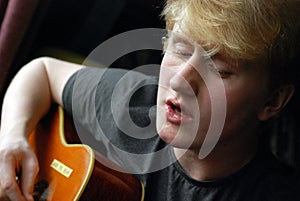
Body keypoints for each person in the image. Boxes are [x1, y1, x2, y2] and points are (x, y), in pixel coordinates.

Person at [0, 0, 299, 200]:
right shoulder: (134, 104)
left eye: (219, 71)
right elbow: (41, 72)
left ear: (272, 100)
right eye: (180, 49)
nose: (180, 80)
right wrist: (13, 137)